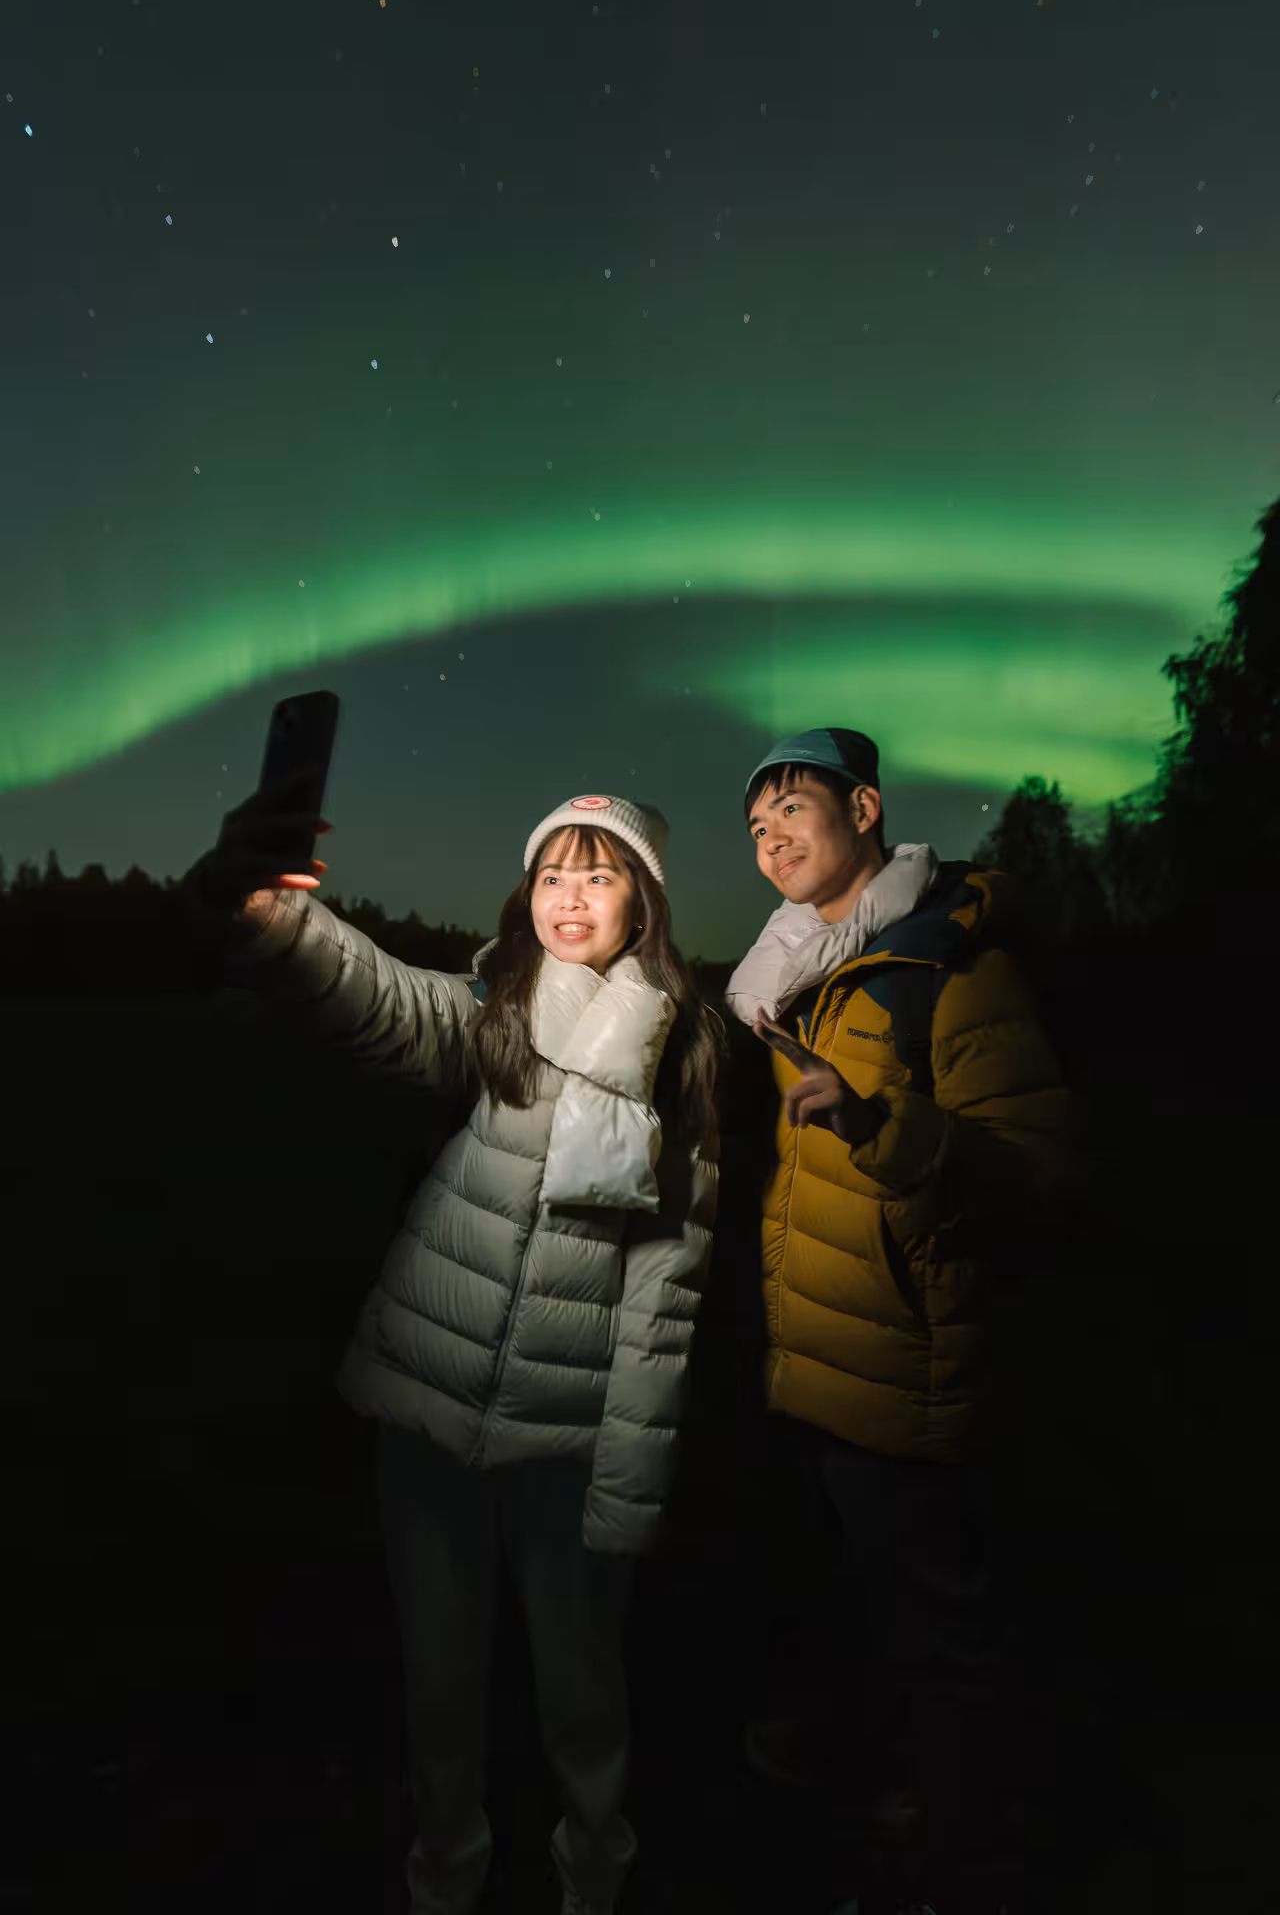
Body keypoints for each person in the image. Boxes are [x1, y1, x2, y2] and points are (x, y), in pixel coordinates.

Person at [182, 778, 721, 1915]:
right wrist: (276, 914)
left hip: (566, 1433)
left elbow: (664, 1285)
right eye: (552, 872)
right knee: (437, 1687)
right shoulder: (492, 1005)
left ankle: (594, 1876)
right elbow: (375, 994)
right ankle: (445, 1879)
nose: (569, 896)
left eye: (600, 872)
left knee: (582, 1693)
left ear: (645, 902)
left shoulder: (681, 1057)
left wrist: (630, 1481)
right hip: (427, 1408)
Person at [725, 727, 1082, 1910]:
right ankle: (866, 1770)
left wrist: (883, 1127)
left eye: (793, 809)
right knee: (852, 1595)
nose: (770, 835)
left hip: (911, 1367)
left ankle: (953, 1855)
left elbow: (1033, 1180)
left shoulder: (948, 969)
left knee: (939, 1631)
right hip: (818, 1354)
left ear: (865, 810)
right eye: (755, 825)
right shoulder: (790, 982)